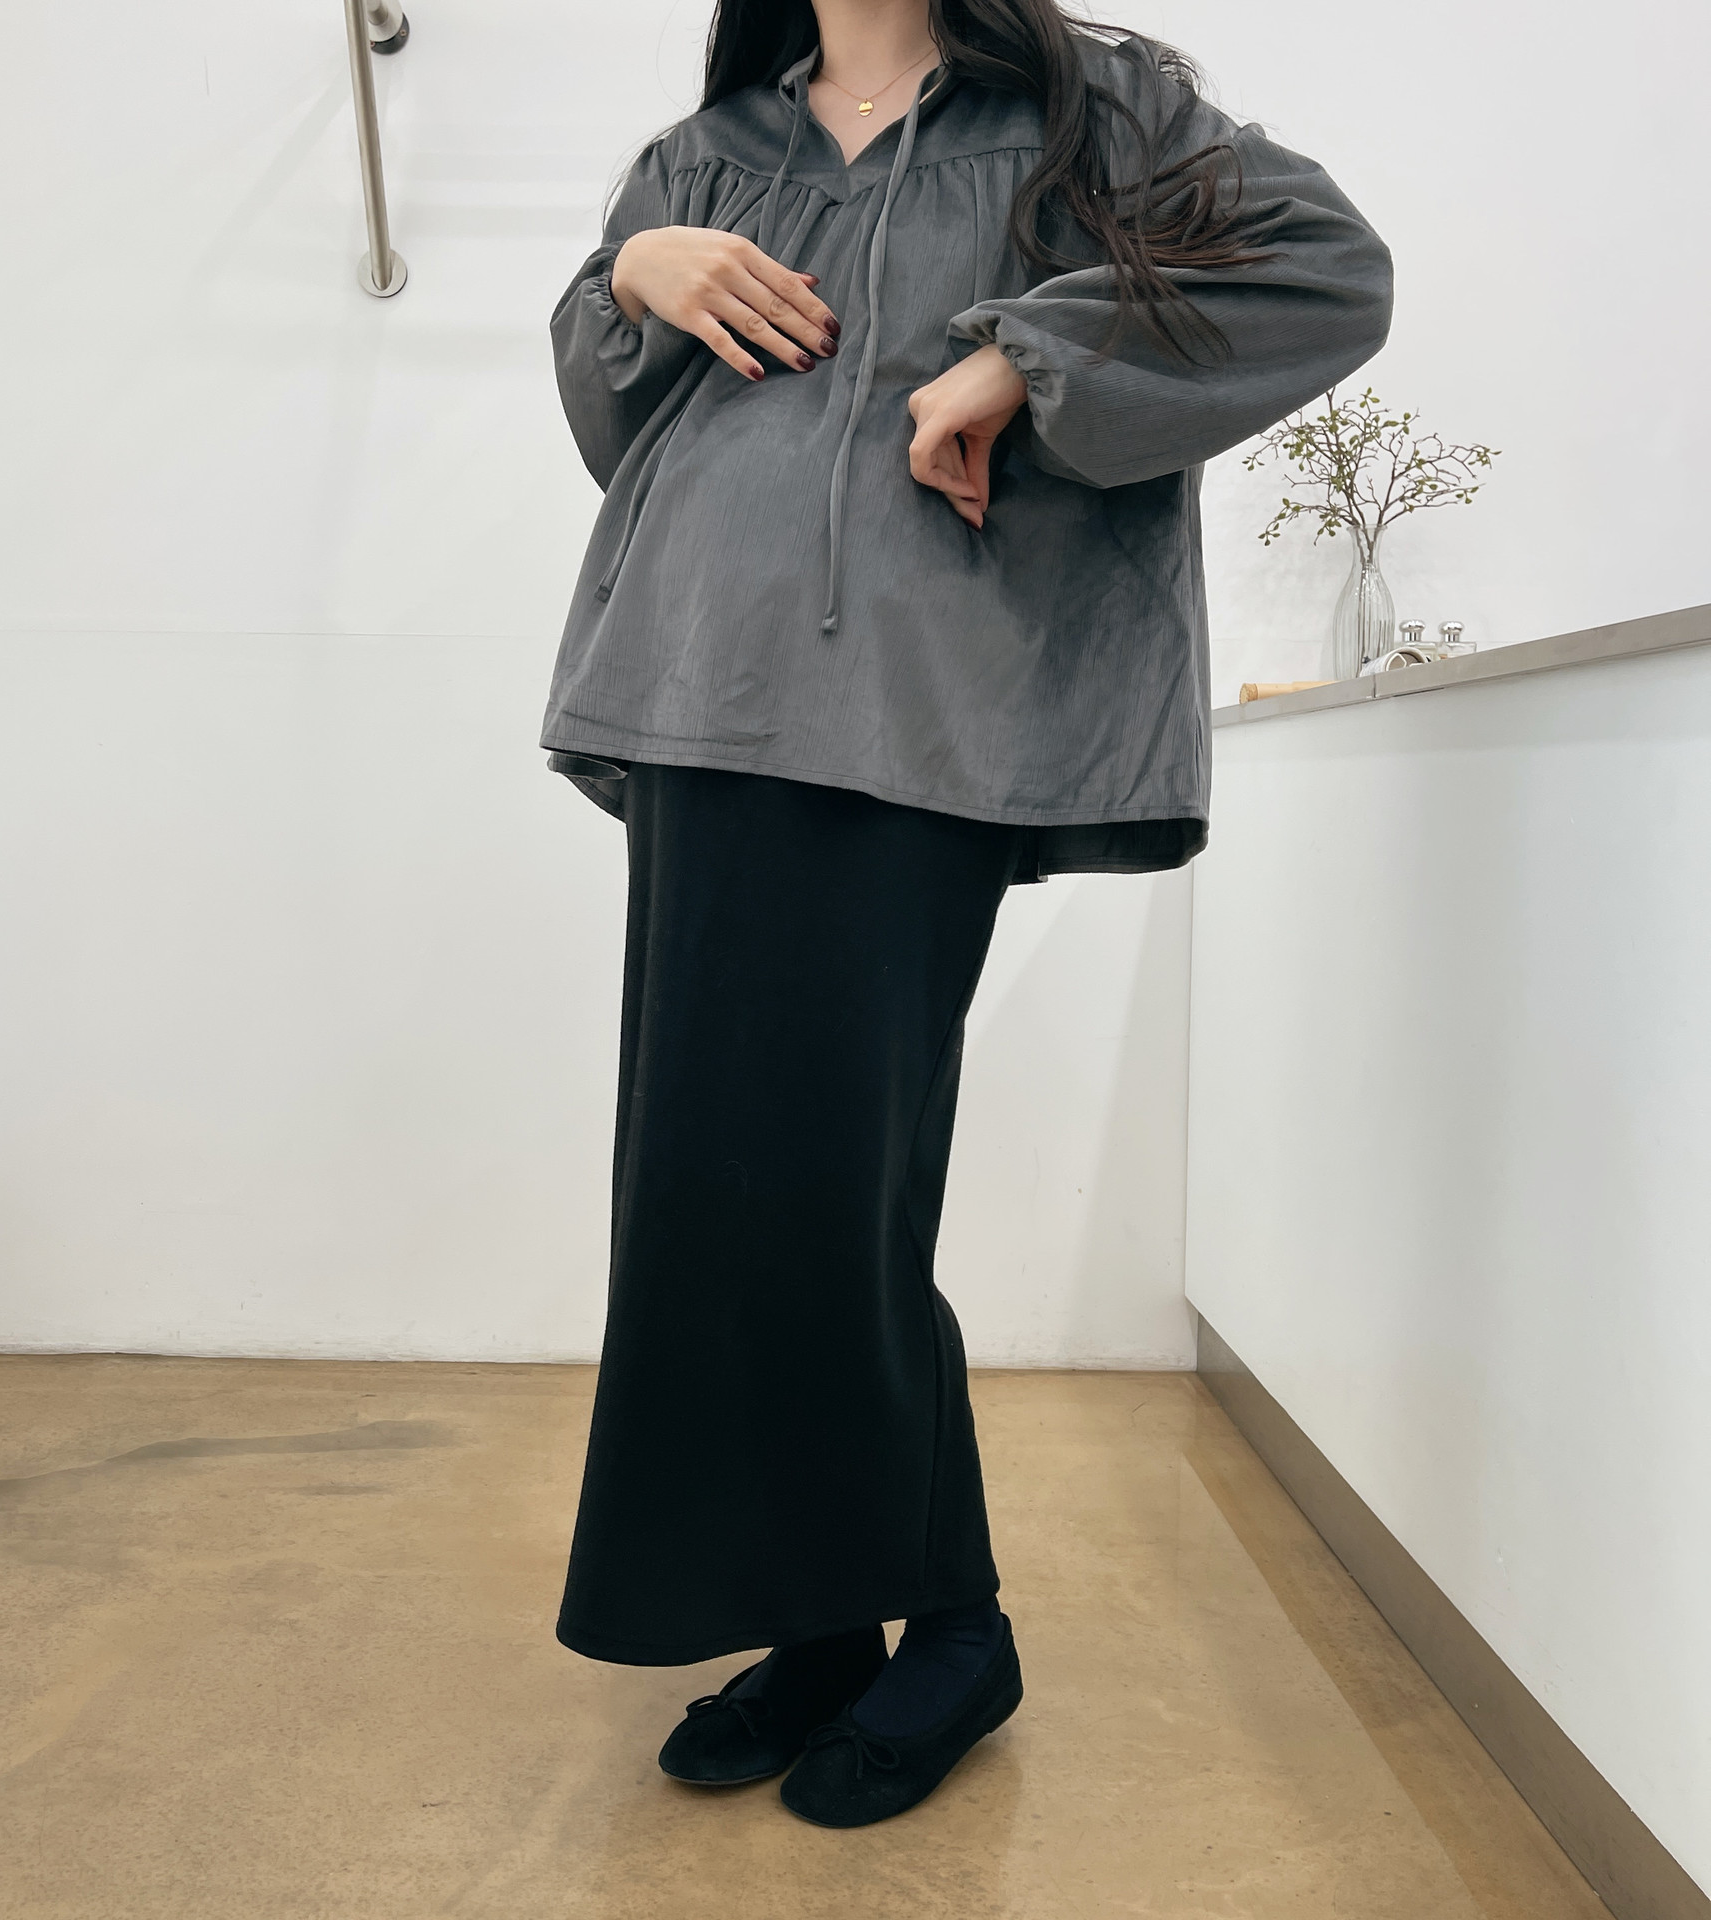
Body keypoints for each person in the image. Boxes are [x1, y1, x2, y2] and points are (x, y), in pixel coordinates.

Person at [541, 0, 1391, 1828]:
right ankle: (825, 1622)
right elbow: (621, 420)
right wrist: (634, 268)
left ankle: (956, 1626)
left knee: (837, 1189)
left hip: (917, 720)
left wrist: (1025, 354)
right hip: (695, 695)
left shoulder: (1092, 105)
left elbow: (1324, 272)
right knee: (719, 1193)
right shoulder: (712, 147)